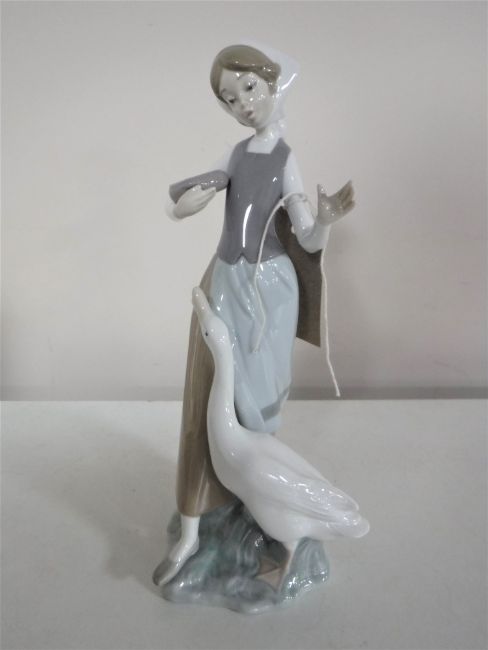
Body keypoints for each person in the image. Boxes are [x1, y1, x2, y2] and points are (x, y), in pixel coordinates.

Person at [153, 42, 355, 586]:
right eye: (229, 98)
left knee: (261, 402)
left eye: (248, 88)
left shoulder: (286, 159)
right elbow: (183, 205)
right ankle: (206, 514)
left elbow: (307, 238)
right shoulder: (235, 154)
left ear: (271, 85)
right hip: (226, 280)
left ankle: (258, 501)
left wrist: (326, 219)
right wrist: (190, 200)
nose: (242, 103)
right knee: (217, 388)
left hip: (270, 290)